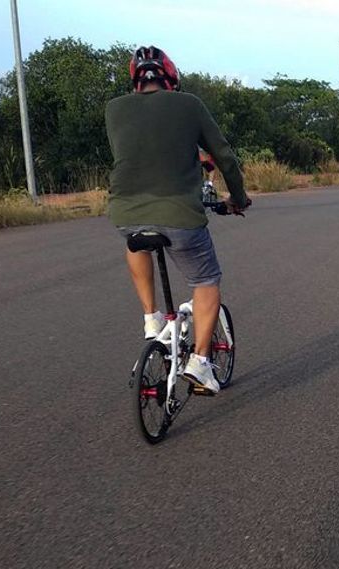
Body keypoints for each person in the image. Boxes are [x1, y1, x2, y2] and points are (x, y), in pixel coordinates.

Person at [105, 46, 250, 395]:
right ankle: (200, 363)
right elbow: (224, 156)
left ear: (136, 80)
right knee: (206, 279)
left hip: (125, 211)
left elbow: (134, 155)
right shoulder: (188, 104)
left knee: (135, 239)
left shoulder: (114, 109)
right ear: (170, 77)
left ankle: (151, 320)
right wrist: (238, 198)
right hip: (180, 215)